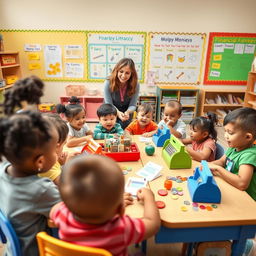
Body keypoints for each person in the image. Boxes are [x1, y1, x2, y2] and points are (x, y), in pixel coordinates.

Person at [50, 154, 160, 256]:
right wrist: (149, 198)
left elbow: (54, 210)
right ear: (121, 210)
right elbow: (153, 224)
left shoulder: (62, 214)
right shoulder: (121, 228)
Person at [0, 110, 61, 256]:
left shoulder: (3, 170)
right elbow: (77, 211)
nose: (57, 153)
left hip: (13, 250)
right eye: (54, 149)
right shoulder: (41, 189)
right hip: (37, 251)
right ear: (40, 161)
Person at [208, 108, 256, 256]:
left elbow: (242, 183)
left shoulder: (249, 155)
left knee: (231, 228)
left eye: (231, 133)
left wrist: (218, 171)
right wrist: (204, 166)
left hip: (246, 204)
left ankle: (245, 246)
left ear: (248, 137)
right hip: (233, 193)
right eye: (226, 131)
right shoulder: (234, 148)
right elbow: (221, 162)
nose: (226, 136)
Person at [39, 113, 79, 185]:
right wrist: (67, 163)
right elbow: (64, 185)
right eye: (63, 145)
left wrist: (60, 163)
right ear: (56, 145)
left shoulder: (43, 157)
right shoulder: (47, 165)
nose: (63, 149)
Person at [103, 58, 140, 129]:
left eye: (127, 73)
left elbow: (133, 105)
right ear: (117, 71)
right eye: (121, 71)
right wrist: (117, 112)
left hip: (126, 111)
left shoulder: (136, 84)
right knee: (110, 129)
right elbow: (109, 103)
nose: (123, 76)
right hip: (110, 108)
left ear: (132, 74)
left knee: (124, 130)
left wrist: (128, 112)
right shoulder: (108, 82)